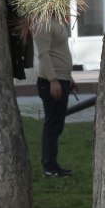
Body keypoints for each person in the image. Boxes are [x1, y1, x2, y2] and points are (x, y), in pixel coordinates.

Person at [33, 14, 75, 177]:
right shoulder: (43, 23)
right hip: (51, 82)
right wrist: (53, 80)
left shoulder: (56, 22)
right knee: (52, 125)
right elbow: (44, 54)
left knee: (57, 125)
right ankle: (49, 167)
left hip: (61, 79)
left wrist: (68, 77)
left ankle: (53, 164)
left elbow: (60, 52)